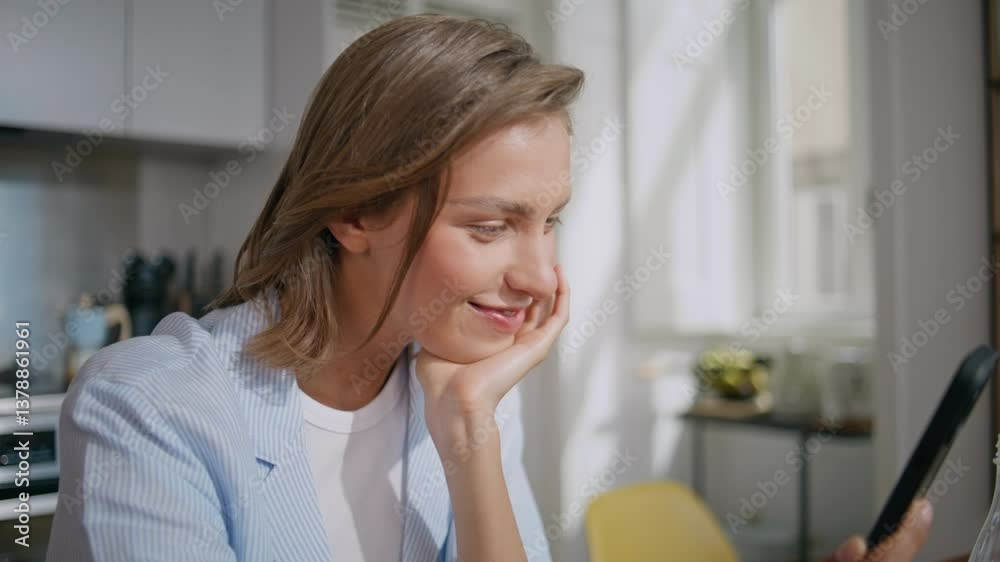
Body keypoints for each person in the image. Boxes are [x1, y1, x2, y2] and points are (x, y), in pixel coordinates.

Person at [46, 14, 933, 562]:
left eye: (550, 222)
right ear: (354, 214)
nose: (543, 278)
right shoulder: (150, 410)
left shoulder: (458, 390)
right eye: (489, 226)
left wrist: (469, 434)